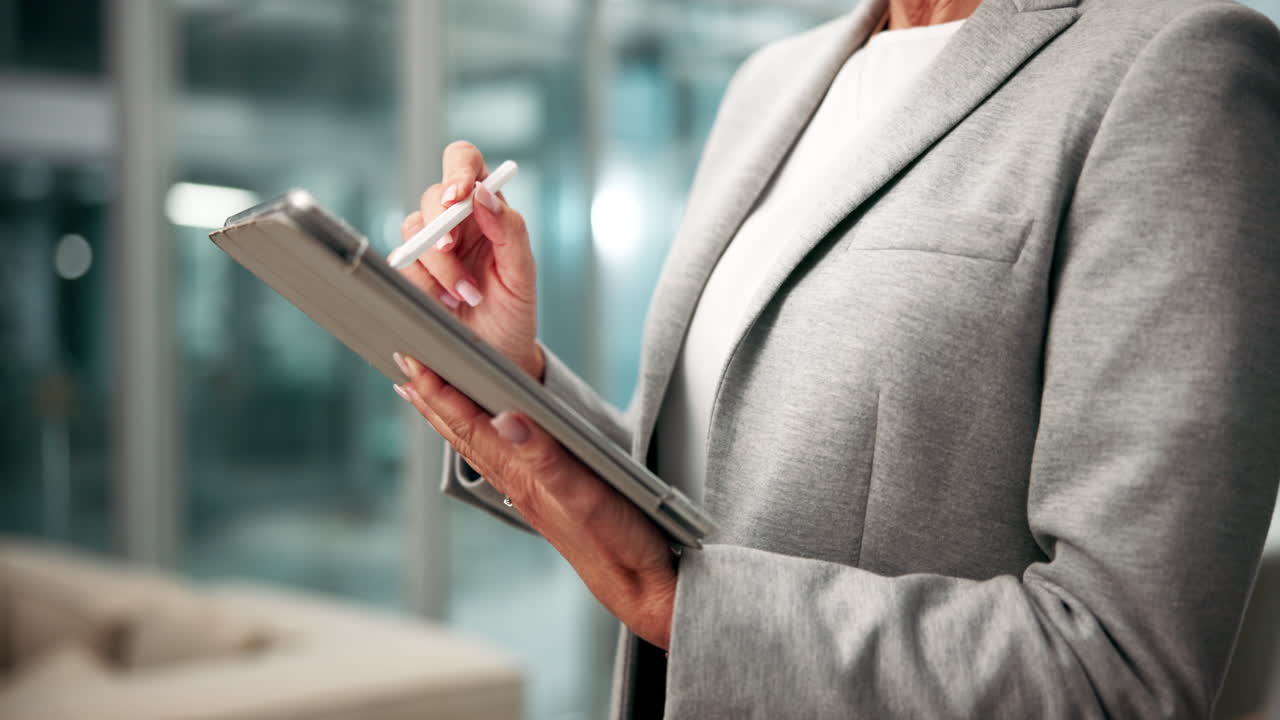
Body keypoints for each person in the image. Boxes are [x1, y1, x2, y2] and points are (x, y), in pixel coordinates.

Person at [390, 0, 1280, 716]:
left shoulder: (1178, 62)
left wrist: (687, 606)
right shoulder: (769, 82)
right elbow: (715, 479)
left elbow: (1121, 673)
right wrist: (512, 379)